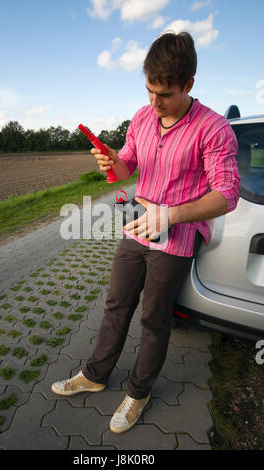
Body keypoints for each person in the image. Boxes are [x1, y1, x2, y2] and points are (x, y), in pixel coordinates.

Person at [51, 32, 240, 434]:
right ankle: (96, 374)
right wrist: (112, 161)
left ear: (188, 84)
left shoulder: (214, 128)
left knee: (154, 319)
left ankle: (139, 392)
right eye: (149, 90)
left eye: (165, 94)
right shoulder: (141, 117)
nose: (154, 103)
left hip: (176, 237)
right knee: (116, 304)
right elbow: (126, 170)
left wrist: (169, 215)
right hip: (135, 227)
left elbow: (227, 194)